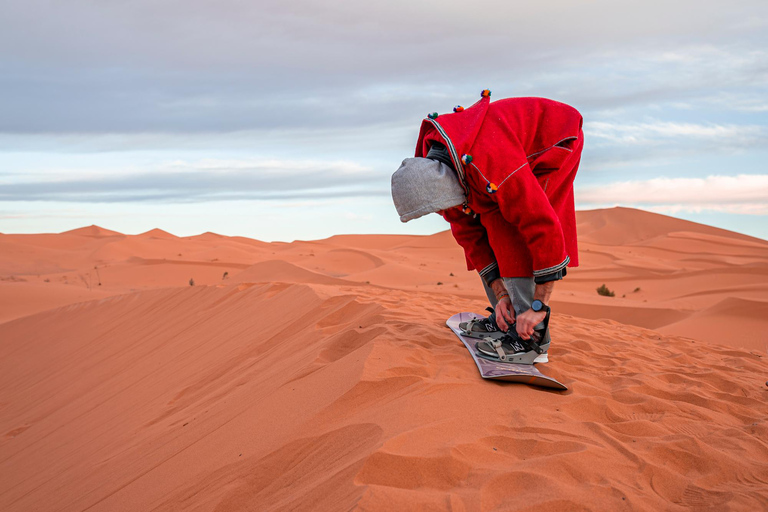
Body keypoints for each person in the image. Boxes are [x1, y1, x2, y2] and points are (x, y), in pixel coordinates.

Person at [391, 90, 583, 363]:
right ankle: (506, 317)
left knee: (510, 232)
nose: (442, 213)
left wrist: (539, 306)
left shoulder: (491, 164)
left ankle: (532, 339)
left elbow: (542, 226)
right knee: (486, 225)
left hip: (556, 136)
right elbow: (469, 235)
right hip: (497, 155)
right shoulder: (439, 171)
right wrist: (500, 293)